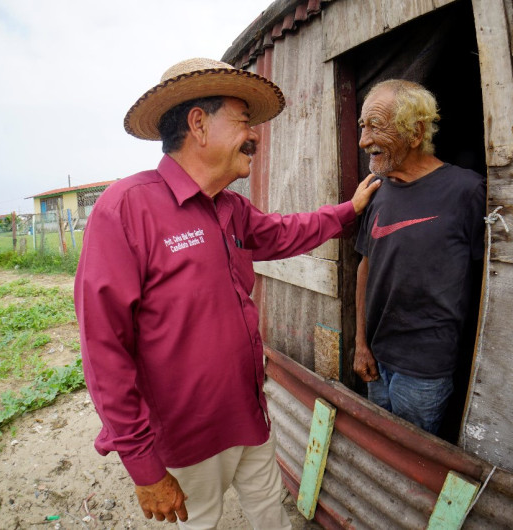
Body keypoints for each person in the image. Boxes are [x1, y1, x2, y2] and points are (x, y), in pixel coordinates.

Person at [74, 58, 380, 529]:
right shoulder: (127, 208)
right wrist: (143, 466)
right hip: (187, 440)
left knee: (270, 513)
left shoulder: (231, 208)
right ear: (198, 124)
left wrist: (348, 211)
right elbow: (103, 349)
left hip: (250, 416)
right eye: (243, 120)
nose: (254, 135)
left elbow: (283, 232)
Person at [353, 79, 485, 435]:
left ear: (416, 132)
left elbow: (488, 282)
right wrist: (361, 344)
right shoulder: (377, 190)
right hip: (376, 358)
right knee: (379, 445)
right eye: (363, 126)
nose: (364, 141)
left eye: (376, 126)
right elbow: (365, 266)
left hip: (426, 370)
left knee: (413, 457)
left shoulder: (467, 190)